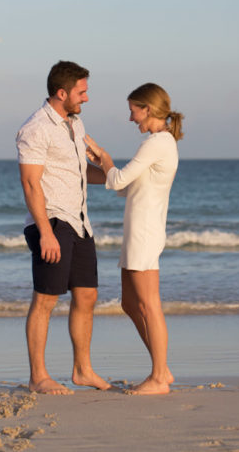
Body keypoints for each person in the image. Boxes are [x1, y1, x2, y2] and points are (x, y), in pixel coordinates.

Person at [16, 61, 111, 395]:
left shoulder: (75, 123)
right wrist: (45, 232)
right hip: (53, 222)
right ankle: (38, 376)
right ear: (62, 93)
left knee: (87, 296)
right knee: (45, 300)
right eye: (81, 92)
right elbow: (30, 184)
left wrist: (118, 179)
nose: (85, 98)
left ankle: (82, 370)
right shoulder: (36, 128)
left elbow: (80, 170)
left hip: (80, 222)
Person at [84, 83, 183, 395]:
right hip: (137, 230)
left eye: (133, 111)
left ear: (147, 110)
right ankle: (161, 368)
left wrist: (105, 157)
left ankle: (158, 377)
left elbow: (118, 180)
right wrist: (90, 165)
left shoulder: (158, 142)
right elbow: (127, 187)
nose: (131, 118)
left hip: (145, 233)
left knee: (149, 304)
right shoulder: (158, 143)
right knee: (129, 302)